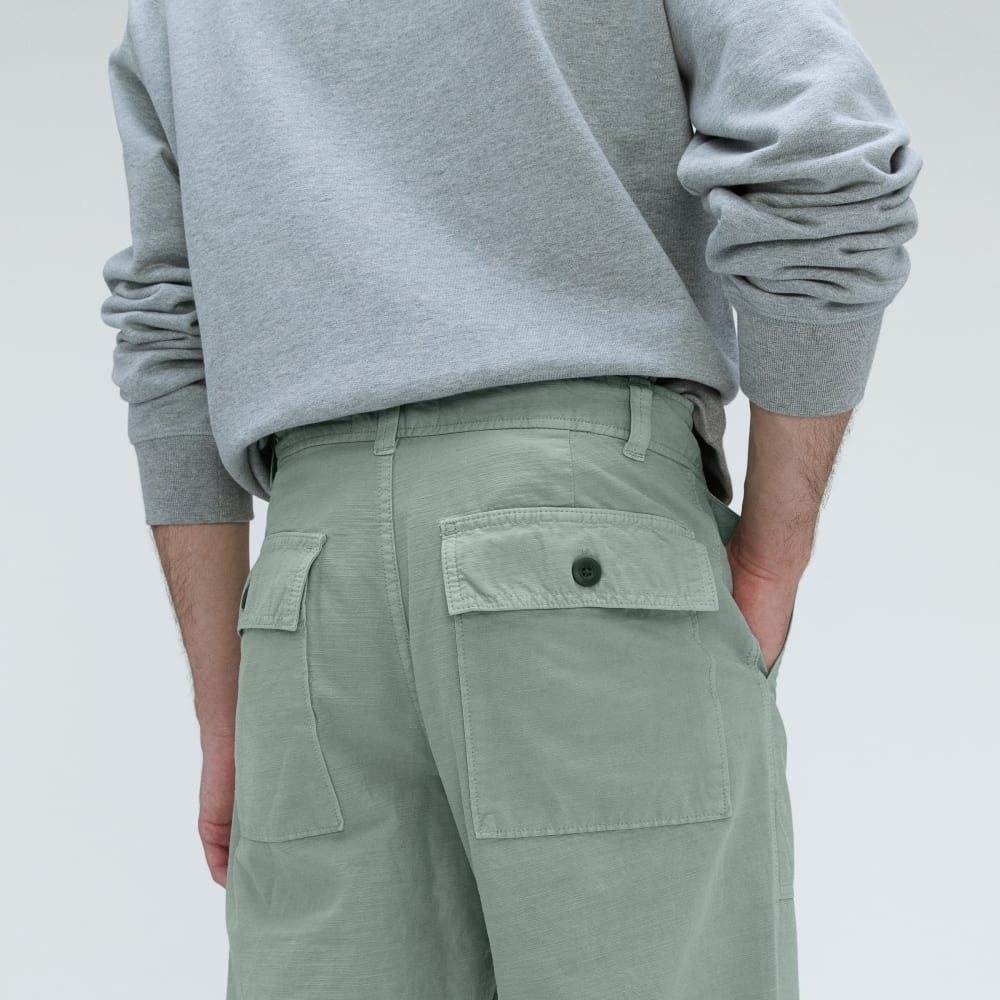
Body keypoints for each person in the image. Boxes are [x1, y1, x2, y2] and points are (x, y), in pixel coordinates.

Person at [99, 1, 921, 997]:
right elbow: (824, 154)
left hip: (310, 593)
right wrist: (773, 560)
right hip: (582, 536)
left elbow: (169, 323)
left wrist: (227, 707)